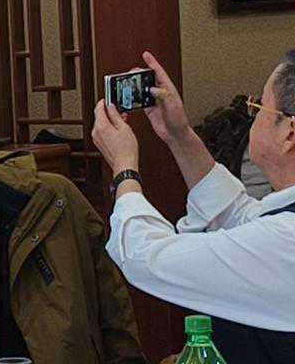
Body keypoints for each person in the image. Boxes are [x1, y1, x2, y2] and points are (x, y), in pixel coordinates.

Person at [91, 50, 295, 363]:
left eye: (258, 107)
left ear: (289, 133)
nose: (251, 116)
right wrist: (179, 134)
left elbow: (145, 256)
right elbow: (236, 215)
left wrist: (124, 168)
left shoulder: (285, 239)